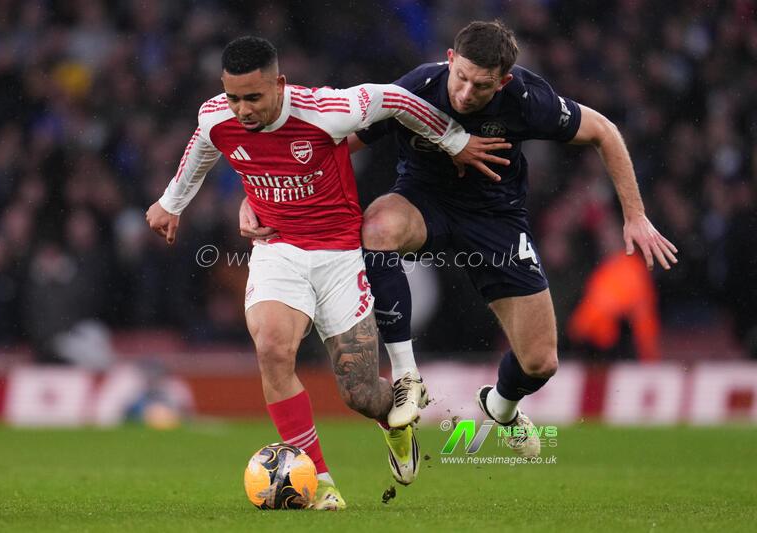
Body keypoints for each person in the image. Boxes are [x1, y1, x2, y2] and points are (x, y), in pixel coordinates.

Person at [241, 20, 678, 458]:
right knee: (376, 227)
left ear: (503, 81)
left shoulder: (526, 98)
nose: (466, 93)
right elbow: (341, 140)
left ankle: (501, 407)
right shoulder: (418, 87)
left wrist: (635, 215)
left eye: (482, 86)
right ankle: (407, 376)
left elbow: (602, 130)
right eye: (461, 77)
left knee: (540, 362)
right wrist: (261, 194)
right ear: (450, 60)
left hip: (496, 219)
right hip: (422, 201)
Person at [146, 36, 504, 509]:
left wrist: (454, 141)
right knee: (273, 347)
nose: (243, 110)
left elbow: (396, 99)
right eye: (234, 97)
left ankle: (394, 425)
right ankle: (318, 480)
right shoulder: (216, 115)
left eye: (254, 97)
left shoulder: (326, 109)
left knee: (358, 391)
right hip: (278, 250)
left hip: (339, 257)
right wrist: (171, 203)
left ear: (279, 84)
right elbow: (201, 148)